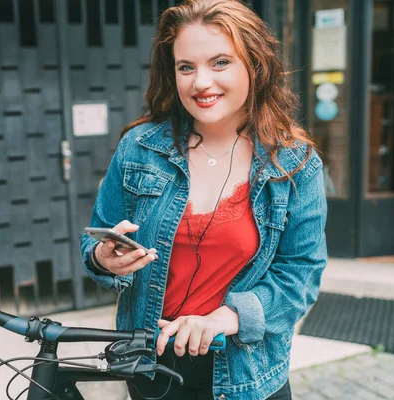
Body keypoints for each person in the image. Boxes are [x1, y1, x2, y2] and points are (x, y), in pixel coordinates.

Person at [80, 1, 327, 399]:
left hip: (247, 374)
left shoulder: (294, 164)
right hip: (150, 366)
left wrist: (229, 316)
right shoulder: (139, 148)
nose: (200, 82)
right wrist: (104, 258)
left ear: (255, 65)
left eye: (220, 62)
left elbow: (302, 274)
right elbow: (93, 245)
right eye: (186, 67)